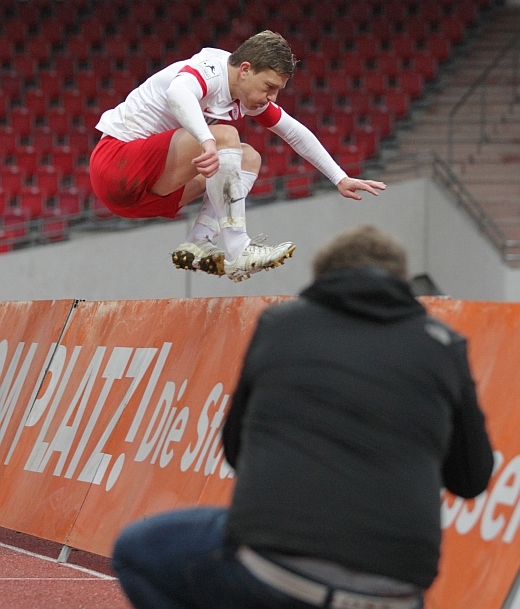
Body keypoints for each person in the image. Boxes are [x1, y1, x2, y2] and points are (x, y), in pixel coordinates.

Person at [112, 224, 494, 609]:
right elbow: (472, 479)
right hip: (394, 594)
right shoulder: (445, 345)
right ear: (401, 279)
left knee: (135, 551)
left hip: (277, 573)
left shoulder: (280, 325)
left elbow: (235, 450)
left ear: (321, 276)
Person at [90, 31, 386, 282]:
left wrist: (339, 178)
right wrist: (207, 139)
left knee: (249, 157)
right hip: (116, 166)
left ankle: (199, 241)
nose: (272, 97)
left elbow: (295, 132)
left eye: (278, 90)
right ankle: (238, 247)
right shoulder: (211, 69)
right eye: (269, 87)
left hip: (145, 197)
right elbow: (178, 92)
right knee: (226, 136)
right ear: (245, 69)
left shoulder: (245, 94)